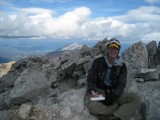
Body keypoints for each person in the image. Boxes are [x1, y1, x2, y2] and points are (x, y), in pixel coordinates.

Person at [84, 38, 142, 120]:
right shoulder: (98, 62)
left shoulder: (122, 66)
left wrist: (112, 97)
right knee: (92, 107)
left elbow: (121, 84)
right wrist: (92, 90)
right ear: (108, 48)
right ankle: (118, 108)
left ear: (118, 50)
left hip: (115, 93)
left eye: (116, 48)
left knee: (137, 99)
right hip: (101, 93)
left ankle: (114, 116)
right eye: (111, 48)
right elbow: (90, 77)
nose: (113, 50)